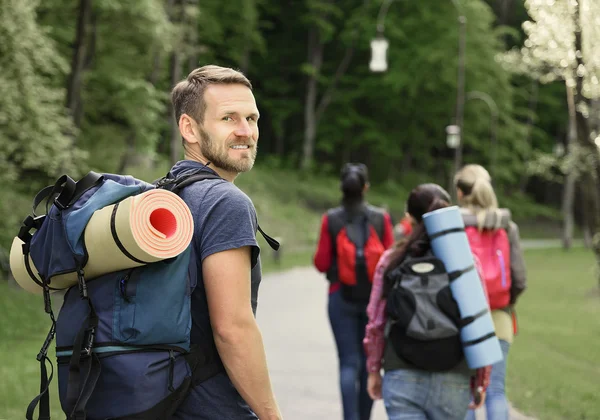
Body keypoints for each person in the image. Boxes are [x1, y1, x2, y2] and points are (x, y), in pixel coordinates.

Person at [168, 65, 282, 420]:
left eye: (252, 118)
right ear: (189, 128)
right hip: (210, 407)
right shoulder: (225, 203)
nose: (245, 131)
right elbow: (232, 328)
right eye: (229, 118)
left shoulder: (166, 194)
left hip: (161, 400)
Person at [364, 183, 490, 420]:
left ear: (410, 217)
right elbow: (479, 321)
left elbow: (376, 323)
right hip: (454, 377)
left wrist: (373, 370)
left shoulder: (391, 260)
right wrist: (481, 379)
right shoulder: (466, 261)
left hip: (401, 372)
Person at [313, 163, 394, 420]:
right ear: (365, 188)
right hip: (375, 303)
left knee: (348, 362)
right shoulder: (381, 219)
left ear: (342, 188)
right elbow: (391, 260)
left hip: (340, 298)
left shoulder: (331, 219)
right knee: (369, 365)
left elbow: (321, 262)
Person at [455, 164, 527, 420]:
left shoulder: (456, 226)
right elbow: (519, 279)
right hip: (500, 318)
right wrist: (505, 301)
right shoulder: (507, 227)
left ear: (461, 192)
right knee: (495, 390)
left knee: (467, 392)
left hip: (464, 320)